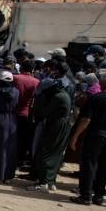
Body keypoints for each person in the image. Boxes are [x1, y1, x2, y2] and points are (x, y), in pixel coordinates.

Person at [29, 60, 73, 192]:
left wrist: (37, 110)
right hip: (63, 125)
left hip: (55, 126)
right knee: (56, 154)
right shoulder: (66, 90)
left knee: (44, 153)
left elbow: (44, 112)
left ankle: (43, 183)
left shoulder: (57, 97)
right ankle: (51, 181)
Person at [69, 72, 106, 205]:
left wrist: (75, 136)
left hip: (95, 135)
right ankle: (99, 196)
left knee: (89, 164)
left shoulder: (96, 98)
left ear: (102, 84)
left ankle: (85, 195)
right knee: (104, 166)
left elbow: (86, 119)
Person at [13, 59, 40, 168]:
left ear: (21, 67)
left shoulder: (15, 78)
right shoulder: (36, 82)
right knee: (23, 139)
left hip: (13, 112)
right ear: (32, 70)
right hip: (27, 113)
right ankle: (20, 160)